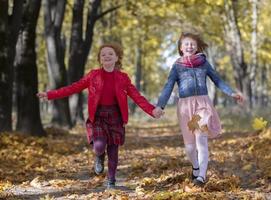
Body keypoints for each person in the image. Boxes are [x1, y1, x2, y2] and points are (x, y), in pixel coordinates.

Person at [37, 42, 164, 189]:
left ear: (117, 58)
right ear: (100, 59)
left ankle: (111, 180)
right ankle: (99, 155)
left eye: (110, 54)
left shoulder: (123, 77)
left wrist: (152, 110)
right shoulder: (93, 75)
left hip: (116, 116)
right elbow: (73, 88)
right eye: (103, 54)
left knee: (113, 150)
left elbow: (137, 96)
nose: (107, 56)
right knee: (99, 146)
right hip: (98, 116)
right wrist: (50, 95)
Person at [153, 32, 244, 186]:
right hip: (185, 107)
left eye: (192, 44)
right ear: (181, 48)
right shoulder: (177, 66)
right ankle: (195, 165)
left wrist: (232, 93)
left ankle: (201, 176)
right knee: (190, 147)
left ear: (196, 47)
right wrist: (160, 105)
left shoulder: (204, 63)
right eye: (186, 44)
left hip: (202, 105)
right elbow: (168, 86)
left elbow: (218, 80)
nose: (190, 46)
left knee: (201, 139)